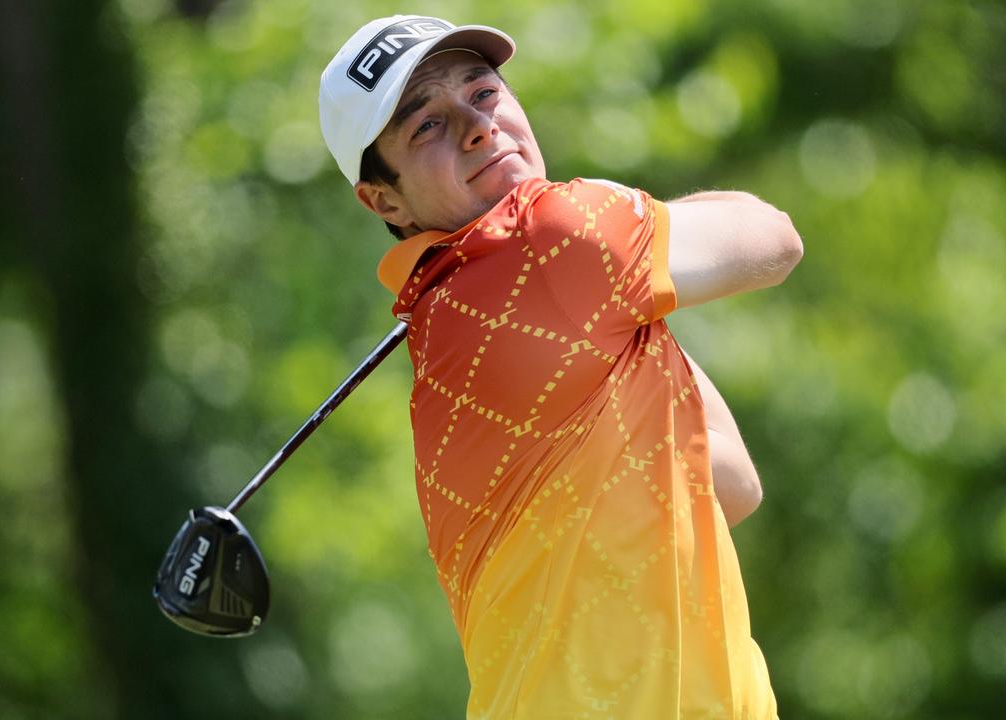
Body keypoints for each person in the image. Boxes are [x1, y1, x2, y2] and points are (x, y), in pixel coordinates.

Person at [319, 14, 801, 719]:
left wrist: (634, 294)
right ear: (383, 200)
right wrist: (626, 225)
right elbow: (775, 237)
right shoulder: (555, 236)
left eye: (482, 93)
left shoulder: (444, 350)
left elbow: (730, 485)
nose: (475, 127)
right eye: (426, 125)